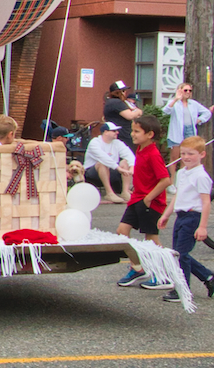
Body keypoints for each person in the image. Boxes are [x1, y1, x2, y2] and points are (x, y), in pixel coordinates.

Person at [115, 114, 173, 289]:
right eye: (133, 130)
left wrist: (148, 198)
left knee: (151, 239)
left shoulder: (153, 154)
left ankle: (165, 275)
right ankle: (138, 267)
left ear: (150, 134)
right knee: (121, 231)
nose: (133, 134)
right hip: (137, 198)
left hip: (150, 202)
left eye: (137, 131)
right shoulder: (141, 149)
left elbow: (165, 180)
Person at [157, 136, 214, 303]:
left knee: (181, 254)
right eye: (183, 153)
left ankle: (183, 289)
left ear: (202, 154)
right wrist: (167, 214)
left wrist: (202, 227)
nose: (186, 157)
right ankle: (208, 277)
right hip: (181, 216)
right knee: (179, 254)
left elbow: (205, 203)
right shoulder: (181, 173)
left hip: (192, 217)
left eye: (191, 153)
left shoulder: (201, 177)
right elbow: (178, 196)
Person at [82, 121, 135, 203]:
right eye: (114, 131)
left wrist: (132, 167)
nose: (117, 132)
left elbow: (129, 155)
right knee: (102, 163)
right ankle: (109, 193)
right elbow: (103, 157)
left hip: (111, 171)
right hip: (92, 174)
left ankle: (125, 192)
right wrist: (118, 168)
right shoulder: (95, 142)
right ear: (106, 132)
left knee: (125, 162)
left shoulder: (118, 143)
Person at [162, 82, 211, 171]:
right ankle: (172, 181)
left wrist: (199, 120)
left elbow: (207, 112)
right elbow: (165, 111)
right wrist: (175, 99)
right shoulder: (175, 103)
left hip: (190, 131)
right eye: (185, 90)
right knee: (174, 158)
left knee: (186, 158)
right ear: (180, 91)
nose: (188, 92)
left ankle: (182, 180)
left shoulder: (193, 104)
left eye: (190, 90)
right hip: (177, 132)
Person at [103, 81, 142, 147]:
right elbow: (130, 116)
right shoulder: (116, 102)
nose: (125, 93)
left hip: (119, 134)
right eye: (123, 91)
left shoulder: (112, 102)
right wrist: (139, 111)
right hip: (122, 135)